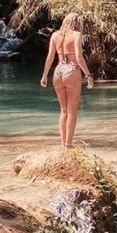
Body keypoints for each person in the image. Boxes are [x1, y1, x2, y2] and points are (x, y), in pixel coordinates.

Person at [40, 12, 94, 148]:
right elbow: (79, 57)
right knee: (72, 111)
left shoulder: (55, 35)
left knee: (63, 111)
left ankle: (63, 144)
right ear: (77, 23)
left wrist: (45, 75)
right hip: (72, 70)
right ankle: (69, 145)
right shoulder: (76, 35)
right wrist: (89, 76)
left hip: (58, 71)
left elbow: (50, 57)